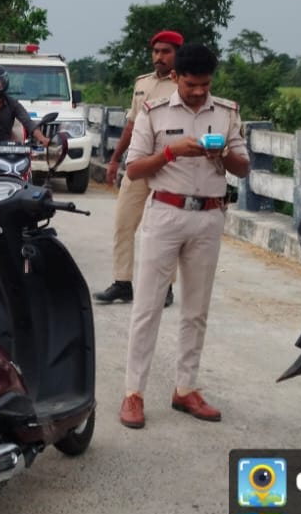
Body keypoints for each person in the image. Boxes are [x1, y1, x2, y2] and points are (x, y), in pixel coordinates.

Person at [118, 43, 248, 430]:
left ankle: (186, 388)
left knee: (196, 309)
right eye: (191, 84)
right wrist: (170, 153)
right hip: (165, 213)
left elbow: (243, 167)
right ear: (175, 77)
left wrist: (222, 155)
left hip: (209, 216)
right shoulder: (153, 111)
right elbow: (134, 169)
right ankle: (133, 393)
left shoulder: (226, 112)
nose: (198, 92)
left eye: (205, 85)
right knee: (147, 307)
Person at [95, 29, 183, 307]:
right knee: (123, 223)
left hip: (170, 166)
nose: (159, 57)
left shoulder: (185, 84)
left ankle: (165, 287)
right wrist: (114, 159)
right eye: (156, 51)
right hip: (138, 163)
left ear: (177, 54)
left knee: (165, 229)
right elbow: (131, 125)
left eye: (166, 52)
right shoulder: (142, 83)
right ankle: (122, 282)